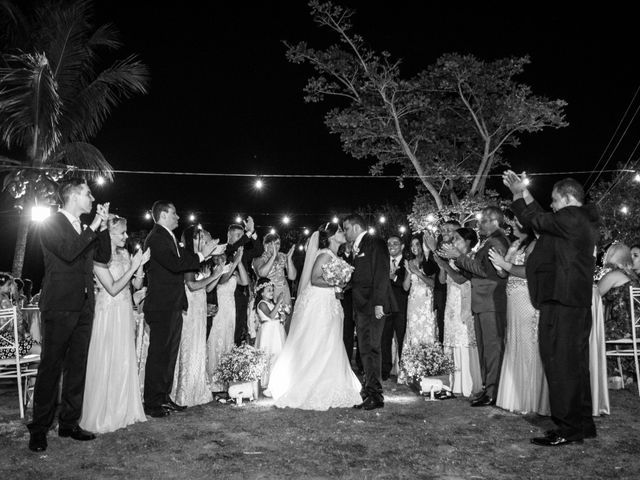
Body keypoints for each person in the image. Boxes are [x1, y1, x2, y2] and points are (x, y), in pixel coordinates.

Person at [504, 171, 599, 446]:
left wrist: (517, 194)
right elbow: (543, 218)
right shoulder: (580, 219)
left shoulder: (571, 217)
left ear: (568, 199)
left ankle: (567, 428)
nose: (553, 206)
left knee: (560, 365)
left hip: (562, 303)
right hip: (574, 304)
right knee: (576, 366)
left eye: (555, 201)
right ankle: (582, 423)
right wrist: (525, 192)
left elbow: (536, 219)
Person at [27, 178, 110, 452]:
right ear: (73, 196)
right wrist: (94, 227)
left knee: (77, 366)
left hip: (85, 306)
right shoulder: (51, 223)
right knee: (51, 367)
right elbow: (69, 253)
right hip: (60, 305)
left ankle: (69, 423)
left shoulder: (87, 227)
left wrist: (104, 226)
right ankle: (39, 428)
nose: (92, 199)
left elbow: (104, 256)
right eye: (88, 194)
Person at [267, 223, 362, 410]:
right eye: (340, 231)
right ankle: (309, 382)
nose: (343, 233)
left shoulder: (335, 255)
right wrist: (337, 284)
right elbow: (315, 279)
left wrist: (338, 284)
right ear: (333, 236)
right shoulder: (325, 253)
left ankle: (330, 381)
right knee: (318, 340)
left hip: (329, 301)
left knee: (330, 340)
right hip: (319, 302)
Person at [142, 201, 218, 418]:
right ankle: (152, 403)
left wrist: (205, 254)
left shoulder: (169, 237)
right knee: (158, 355)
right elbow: (175, 264)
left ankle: (164, 397)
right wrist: (202, 255)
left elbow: (182, 260)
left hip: (173, 305)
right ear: (164, 214)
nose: (178, 217)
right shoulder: (156, 237)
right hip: (161, 306)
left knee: (169, 355)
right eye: (174, 213)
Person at [80, 215, 150, 433]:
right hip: (108, 312)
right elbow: (112, 287)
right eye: (121, 233)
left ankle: (124, 409)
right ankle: (105, 412)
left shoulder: (124, 252)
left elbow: (135, 283)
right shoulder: (98, 257)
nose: (126, 236)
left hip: (124, 310)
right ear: (108, 233)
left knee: (123, 358)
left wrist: (140, 266)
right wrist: (134, 267)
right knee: (107, 358)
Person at [438, 206, 510, 407]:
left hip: (491, 301)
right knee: (485, 349)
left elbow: (483, 271)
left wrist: (457, 256)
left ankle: (493, 391)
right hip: (481, 301)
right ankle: (487, 388)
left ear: (495, 221)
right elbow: (472, 273)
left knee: (492, 348)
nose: (479, 224)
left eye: (483, 221)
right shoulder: (488, 242)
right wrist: (454, 259)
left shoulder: (497, 241)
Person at [489, 217, 550, 415]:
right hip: (512, 300)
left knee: (527, 344)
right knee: (513, 342)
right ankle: (514, 395)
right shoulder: (516, 244)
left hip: (526, 298)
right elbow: (504, 274)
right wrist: (499, 266)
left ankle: (529, 398)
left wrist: (504, 265)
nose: (512, 226)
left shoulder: (535, 245)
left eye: (516, 223)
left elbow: (530, 272)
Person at [344, 214, 396, 411]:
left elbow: (381, 274)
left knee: (373, 348)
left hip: (373, 305)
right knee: (365, 349)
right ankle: (368, 390)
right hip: (360, 306)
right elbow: (360, 276)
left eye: (346, 228)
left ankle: (376, 395)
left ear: (356, 227)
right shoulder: (356, 247)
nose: (345, 232)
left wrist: (379, 304)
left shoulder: (375, 243)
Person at [171, 226, 225, 407]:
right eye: (204, 239)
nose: (207, 243)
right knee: (188, 347)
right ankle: (183, 392)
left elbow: (207, 288)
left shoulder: (201, 261)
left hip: (200, 307)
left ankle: (197, 389)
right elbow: (192, 285)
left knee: (198, 347)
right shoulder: (187, 258)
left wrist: (217, 274)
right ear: (195, 240)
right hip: (190, 309)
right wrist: (214, 276)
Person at [426, 229, 482, 397]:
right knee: (451, 341)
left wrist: (444, 265)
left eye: (457, 238)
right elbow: (443, 280)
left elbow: (461, 279)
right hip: (451, 304)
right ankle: (454, 383)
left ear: (468, 242)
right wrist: (442, 263)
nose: (453, 240)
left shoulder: (471, 258)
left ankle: (467, 384)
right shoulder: (452, 259)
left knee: (463, 341)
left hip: (464, 304)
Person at [207, 247, 249, 393]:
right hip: (219, 310)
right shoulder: (214, 271)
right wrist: (234, 263)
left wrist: (239, 262)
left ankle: (225, 380)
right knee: (216, 340)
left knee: (228, 340)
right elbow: (222, 281)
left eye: (222, 256)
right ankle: (213, 380)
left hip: (230, 311)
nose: (219, 259)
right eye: (217, 257)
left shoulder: (232, 269)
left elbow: (245, 282)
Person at [598, 242, 639, 387]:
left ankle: (592, 378)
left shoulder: (615, 275)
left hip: (622, 328)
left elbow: (593, 295)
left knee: (585, 332)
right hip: (635, 328)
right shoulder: (633, 276)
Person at [252, 233, 296, 332]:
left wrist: (288, 259)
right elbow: (262, 273)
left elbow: (292, 276)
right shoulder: (258, 258)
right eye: (274, 244)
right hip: (268, 295)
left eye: (278, 244)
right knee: (272, 325)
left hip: (284, 293)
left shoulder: (282, 256)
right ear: (266, 245)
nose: (277, 246)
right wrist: (273, 256)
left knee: (286, 325)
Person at [226, 219, 258, 346]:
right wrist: (248, 233)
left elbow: (259, 250)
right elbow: (234, 247)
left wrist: (253, 232)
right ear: (229, 236)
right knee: (231, 327)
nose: (242, 239)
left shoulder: (242, 252)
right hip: (229, 295)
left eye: (242, 235)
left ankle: (238, 351)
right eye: (238, 236)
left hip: (243, 293)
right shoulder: (226, 250)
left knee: (241, 325)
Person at [401, 235, 437, 349]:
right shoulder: (410, 262)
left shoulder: (430, 261)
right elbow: (406, 287)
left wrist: (417, 272)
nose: (414, 247)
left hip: (427, 301)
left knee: (427, 329)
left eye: (417, 244)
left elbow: (433, 284)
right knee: (413, 329)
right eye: (412, 245)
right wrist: (408, 271)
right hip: (413, 301)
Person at [382, 235, 408, 381]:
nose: (391, 246)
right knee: (384, 339)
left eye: (395, 243)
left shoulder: (407, 262)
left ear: (402, 246)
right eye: (389, 243)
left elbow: (407, 287)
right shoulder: (383, 262)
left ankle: (403, 371)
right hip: (386, 306)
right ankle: (385, 370)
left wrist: (394, 278)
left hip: (401, 306)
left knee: (402, 337)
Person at [254, 277, 287, 392]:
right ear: (261, 292)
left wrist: (282, 317)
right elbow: (271, 316)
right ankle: (267, 382)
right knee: (270, 355)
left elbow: (276, 316)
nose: (271, 292)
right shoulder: (261, 304)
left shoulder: (271, 303)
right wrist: (278, 302)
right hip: (268, 332)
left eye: (272, 290)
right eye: (268, 290)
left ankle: (277, 380)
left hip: (277, 330)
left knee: (278, 354)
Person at [434, 220, 461, 344]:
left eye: (448, 230)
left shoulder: (461, 252)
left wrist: (434, 248)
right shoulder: (444, 252)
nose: (444, 233)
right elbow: (442, 280)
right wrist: (442, 266)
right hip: (449, 297)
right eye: (443, 230)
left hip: (461, 297)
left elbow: (460, 278)